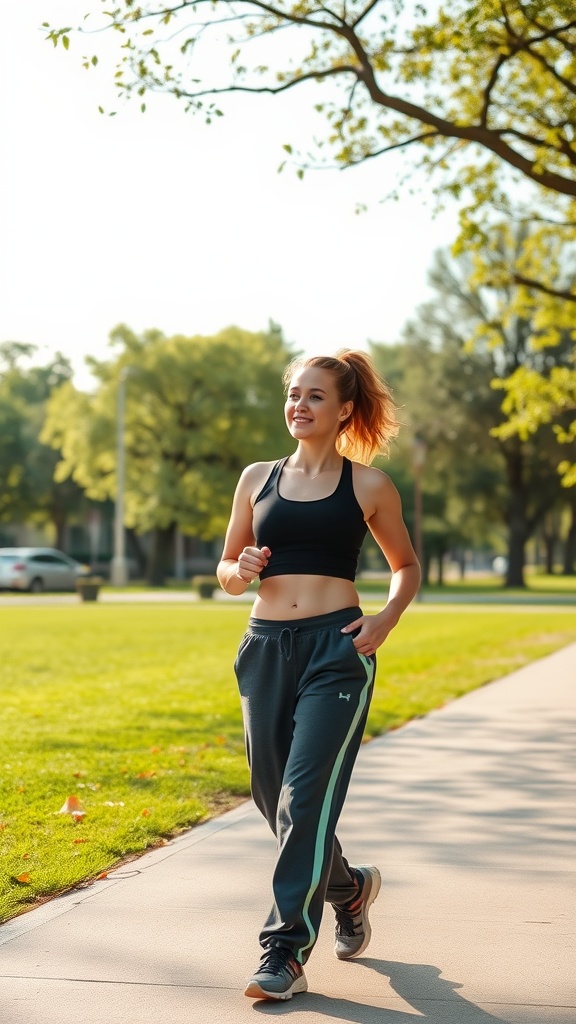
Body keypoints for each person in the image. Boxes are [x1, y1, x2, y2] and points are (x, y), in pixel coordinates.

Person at [216, 350, 420, 1001]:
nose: (298, 406)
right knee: (274, 801)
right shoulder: (256, 478)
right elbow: (225, 572)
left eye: (314, 397)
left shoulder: (369, 486)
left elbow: (406, 566)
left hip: (337, 652)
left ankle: (284, 953)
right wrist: (239, 568)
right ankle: (350, 888)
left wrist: (386, 619)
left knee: (304, 801)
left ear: (344, 410)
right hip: (264, 647)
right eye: (294, 394)